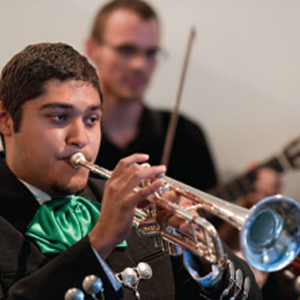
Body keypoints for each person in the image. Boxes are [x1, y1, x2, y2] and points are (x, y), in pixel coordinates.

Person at [0, 42, 262, 300]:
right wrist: (98, 242)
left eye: (92, 119)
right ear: (6, 119)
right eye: (59, 117)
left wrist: (202, 258)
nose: (80, 138)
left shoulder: (130, 206)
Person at [85, 0, 218, 192]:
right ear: (92, 48)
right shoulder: (74, 138)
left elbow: (210, 218)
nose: (140, 65)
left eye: (151, 53)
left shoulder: (187, 136)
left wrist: (248, 203)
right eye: (126, 50)